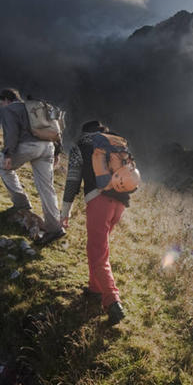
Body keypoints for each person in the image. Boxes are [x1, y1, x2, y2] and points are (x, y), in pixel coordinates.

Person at [61, 120, 132, 326]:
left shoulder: (81, 146)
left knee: (97, 252)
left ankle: (112, 301)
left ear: (85, 132)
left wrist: (65, 212)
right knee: (99, 247)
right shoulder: (117, 144)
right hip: (120, 202)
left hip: (98, 201)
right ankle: (95, 288)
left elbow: (72, 181)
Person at [0, 88, 65, 245]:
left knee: (3, 168)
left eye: (1, 102)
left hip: (29, 146)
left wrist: (8, 154)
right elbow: (57, 129)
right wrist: (57, 152)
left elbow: (11, 133)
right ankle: (55, 228)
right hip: (48, 147)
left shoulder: (10, 110)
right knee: (46, 187)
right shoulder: (36, 108)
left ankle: (21, 203)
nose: (1, 106)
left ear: (6, 100)